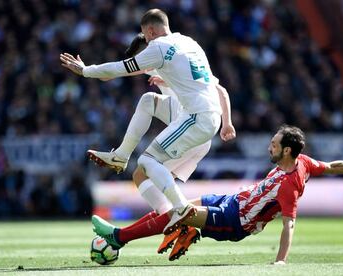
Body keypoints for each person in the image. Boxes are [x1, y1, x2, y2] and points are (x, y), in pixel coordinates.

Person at [91, 124, 343, 264]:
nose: (269, 147)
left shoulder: (290, 185)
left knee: (176, 212)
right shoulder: (303, 161)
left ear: (286, 150)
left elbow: (288, 225)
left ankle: (119, 238)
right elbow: (332, 166)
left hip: (235, 221)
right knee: (176, 206)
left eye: (274, 145)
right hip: (231, 200)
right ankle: (185, 230)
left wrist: (281, 262)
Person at [60, 9, 231, 235]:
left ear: (150, 31)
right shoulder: (189, 42)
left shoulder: (158, 48)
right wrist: (227, 122)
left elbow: (121, 68)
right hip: (203, 115)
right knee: (149, 102)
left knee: (148, 161)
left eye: (145, 35)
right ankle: (122, 157)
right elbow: (214, 85)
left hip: (196, 117)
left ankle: (180, 209)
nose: (146, 40)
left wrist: (85, 71)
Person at [90, 33, 235, 260]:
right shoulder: (175, 61)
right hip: (196, 134)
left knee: (144, 168)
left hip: (193, 128)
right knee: (148, 177)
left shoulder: (167, 61)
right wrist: (226, 123)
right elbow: (220, 90)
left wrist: (90, 71)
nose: (143, 63)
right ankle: (175, 220)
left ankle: (179, 219)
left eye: (141, 55)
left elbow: (219, 91)